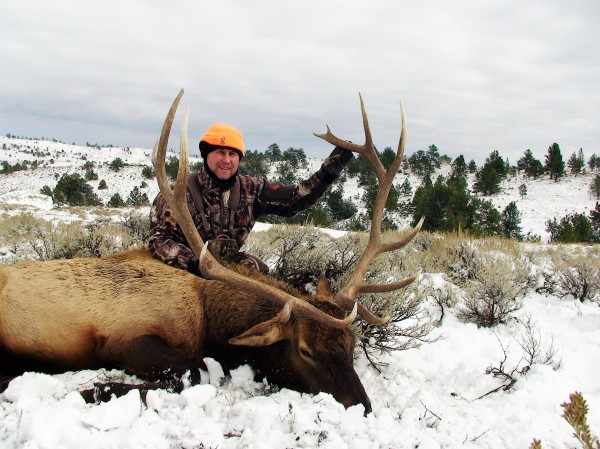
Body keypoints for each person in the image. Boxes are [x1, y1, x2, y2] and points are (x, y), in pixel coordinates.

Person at [149, 123, 352, 275]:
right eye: (220, 152)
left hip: (226, 268)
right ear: (205, 155)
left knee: (260, 274)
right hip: (183, 271)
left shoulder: (251, 189)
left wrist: (326, 175)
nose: (226, 160)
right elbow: (159, 240)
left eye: (232, 154)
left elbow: (294, 199)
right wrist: (194, 264)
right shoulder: (176, 192)